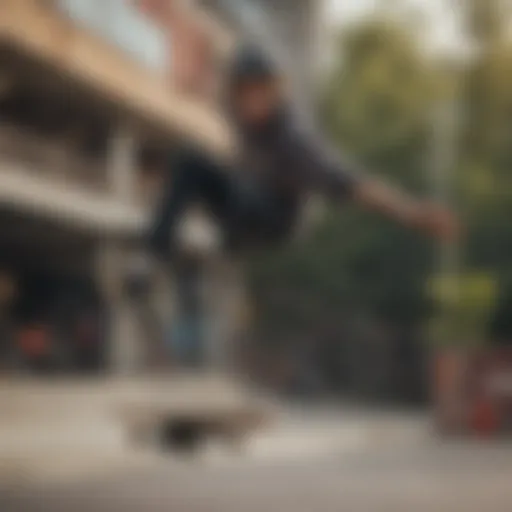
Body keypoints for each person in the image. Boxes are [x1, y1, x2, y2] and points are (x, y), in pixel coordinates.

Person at [148, 43, 457, 262]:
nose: (255, 104)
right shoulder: (233, 108)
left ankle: (234, 239)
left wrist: (412, 212)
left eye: (263, 94)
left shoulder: (293, 143)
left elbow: (356, 185)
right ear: (237, 94)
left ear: (275, 93)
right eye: (247, 94)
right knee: (190, 160)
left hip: (279, 221)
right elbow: (202, 83)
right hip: (243, 204)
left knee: (249, 186)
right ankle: (153, 257)